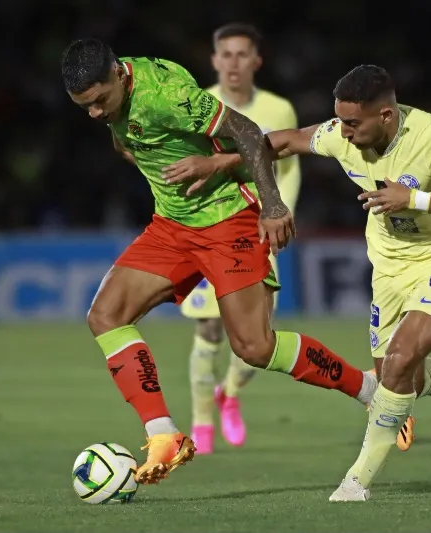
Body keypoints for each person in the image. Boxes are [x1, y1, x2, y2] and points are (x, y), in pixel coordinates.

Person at [162, 64, 431, 500]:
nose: (343, 132)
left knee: (402, 359)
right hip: (388, 267)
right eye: (340, 120)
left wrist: (414, 198)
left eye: (352, 122)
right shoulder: (338, 133)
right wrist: (223, 161)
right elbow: (285, 141)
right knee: (399, 377)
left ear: (385, 115)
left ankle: (356, 481)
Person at [60, 40, 379, 486]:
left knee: (254, 348)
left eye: (99, 102)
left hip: (228, 221)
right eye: (84, 107)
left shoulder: (165, 95)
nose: (94, 113)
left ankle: (368, 390)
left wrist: (271, 204)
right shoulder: (116, 97)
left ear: (117, 74)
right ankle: (163, 434)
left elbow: (248, 132)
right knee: (105, 316)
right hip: (172, 226)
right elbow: (129, 142)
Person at [180, 23, 302, 454]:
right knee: (210, 328)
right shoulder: (199, 104)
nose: (233, 63)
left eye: (241, 55)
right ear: (214, 61)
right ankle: (200, 423)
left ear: (256, 61)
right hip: (212, 229)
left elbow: (287, 167)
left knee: (257, 336)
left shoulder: (279, 109)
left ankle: (229, 394)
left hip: (259, 230)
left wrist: (278, 212)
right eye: (225, 55)